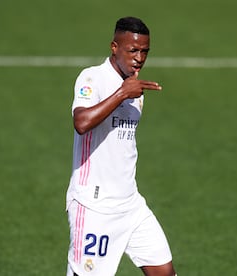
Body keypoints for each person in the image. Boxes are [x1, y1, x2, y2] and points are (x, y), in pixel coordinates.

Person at [65, 17, 177, 276]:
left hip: (130, 204)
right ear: (114, 47)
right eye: (133, 50)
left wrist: (127, 92)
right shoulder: (93, 77)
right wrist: (121, 94)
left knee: (164, 272)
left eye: (145, 52)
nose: (139, 58)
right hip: (94, 206)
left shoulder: (135, 90)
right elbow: (81, 122)